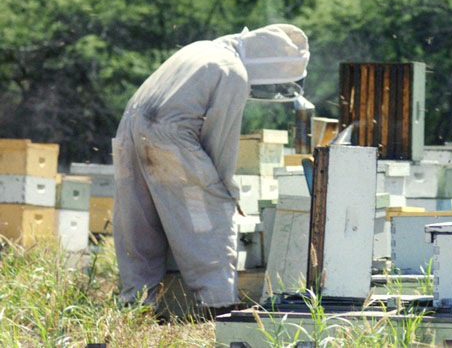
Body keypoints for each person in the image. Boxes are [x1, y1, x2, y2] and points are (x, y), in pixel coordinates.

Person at [112, 24, 310, 314]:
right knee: (209, 213)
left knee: (137, 222)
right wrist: (225, 190)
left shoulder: (201, 47)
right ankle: (218, 305)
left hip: (128, 130)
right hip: (171, 139)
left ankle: (135, 305)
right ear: (270, 66)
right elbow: (219, 142)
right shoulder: (233, 72)